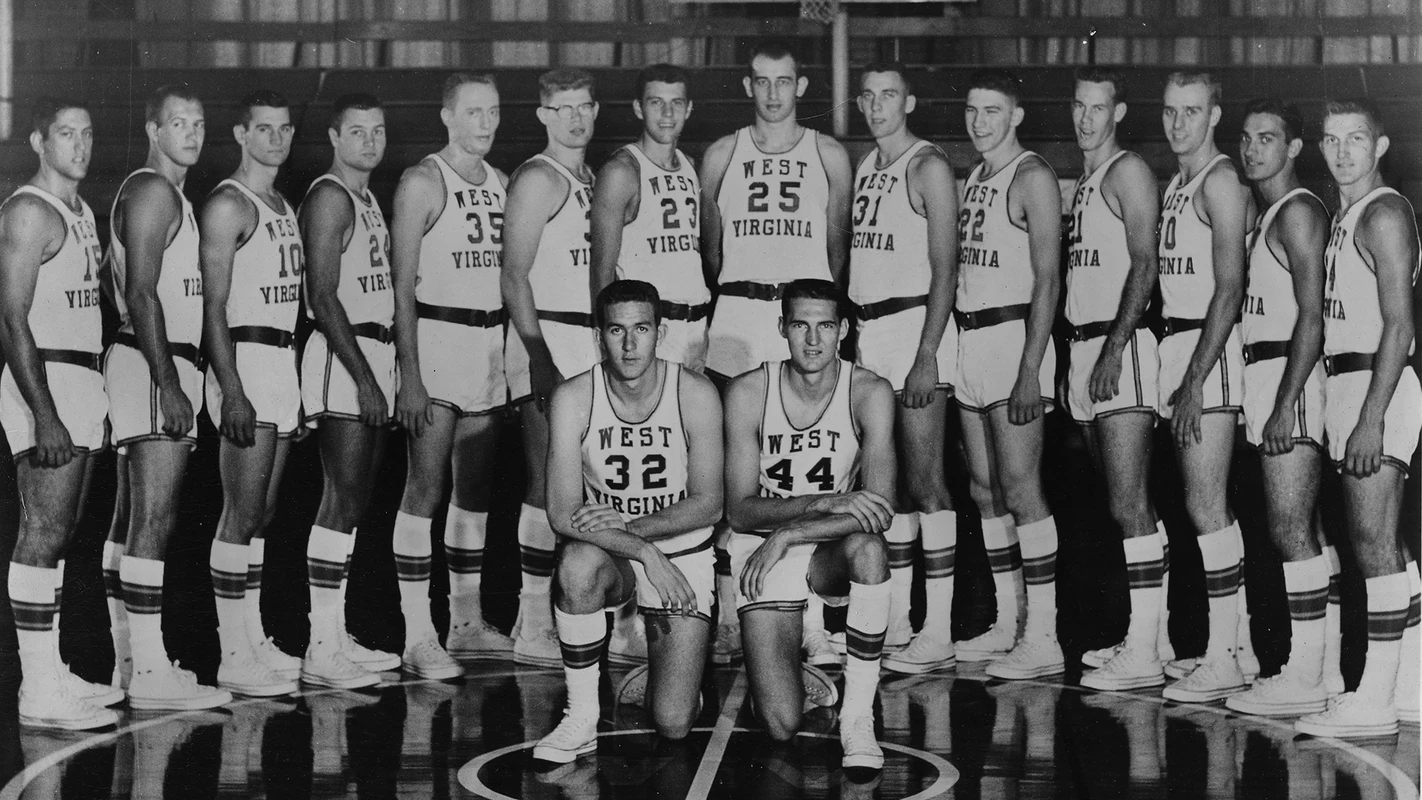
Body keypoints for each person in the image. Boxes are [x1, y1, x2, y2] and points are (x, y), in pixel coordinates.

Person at [699, 39, 853, 665]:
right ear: (747, 86)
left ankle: (812, 619)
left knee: (812, 467)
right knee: (733, 475)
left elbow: (837, 249)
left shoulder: (829, 153)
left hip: (801, 318)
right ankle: (730, 617)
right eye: (761, 81)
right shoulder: (721, 153)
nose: (772, 93)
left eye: (783, 81)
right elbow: (710, 249)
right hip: (738, 318)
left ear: (801, 86)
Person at [532, 280, 722, 763]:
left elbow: (709, 504)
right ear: (600, 336)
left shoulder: (695, 391)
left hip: (681, 550)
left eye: (642, 329)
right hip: (615, 551)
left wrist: (632, 530)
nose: (630, 344)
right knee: (576, 564)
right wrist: (640, 549)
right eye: (617, 330)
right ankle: (580, 717)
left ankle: (668, 674)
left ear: (661, 333)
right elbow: (560, 513)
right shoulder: (573, 396)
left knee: (673, 723)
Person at [723, 279, 894, 769]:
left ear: (844, 329)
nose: (813, 340)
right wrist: (819, 504)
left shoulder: (869, 391)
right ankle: (790, 675)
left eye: (825, 326)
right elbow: (739, 510)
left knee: (870, 548)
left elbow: (879, 509)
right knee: (780, 724)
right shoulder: (749, 390)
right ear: (782, 328)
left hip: (821, 546)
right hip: (762, 548)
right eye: (801, 325)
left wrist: (792, 532)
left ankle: (858, 718)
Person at [103, 84, 233, 711]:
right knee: (154, 519)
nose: (192, 133)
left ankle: (130, 664)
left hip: (149, 361)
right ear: (153, 130)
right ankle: (151, 672)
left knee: (132, 519)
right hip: (154, 364)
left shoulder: (168, 193)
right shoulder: (154, 190)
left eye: (199, 122)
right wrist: (169, 381)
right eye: (178, 122)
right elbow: (140, 291)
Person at [1295, 99, 1420, 737]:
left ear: (1380, 146)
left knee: (1372, 545)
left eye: (1356, 139)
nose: (1343, 152)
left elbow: (1399, 325)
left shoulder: (1384, 213)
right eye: (1332, 139)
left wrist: (1371, 417)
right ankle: (1411, 687)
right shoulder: (1346, 215)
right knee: (1384, 544)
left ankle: (1373, 700)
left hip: (1379, 385)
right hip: (1351, 384)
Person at [1, 98, 123, 729]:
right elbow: (10, 318)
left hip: (80, 378)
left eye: (87, 133)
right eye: (66, 134)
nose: (80, 145)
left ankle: (52, 673)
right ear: (38, 142)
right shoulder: (29, 211)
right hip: (44, 380)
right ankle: (37, 689)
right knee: (42, 532)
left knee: (64, 532)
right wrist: (44, 413)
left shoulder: (80, 212)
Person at [389, 73, 513, 672]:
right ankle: (419, 635)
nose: (485, 124)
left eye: (493, 112)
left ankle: (465, 623)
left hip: (488, 346)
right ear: (447, 116)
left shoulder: (503, 183)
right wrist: (410, 375)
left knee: (475, 494)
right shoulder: (422, 181)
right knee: (425, 489)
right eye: (472, 113)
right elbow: (399, 288)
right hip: (437, 340)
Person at [503, 68, 625, 666]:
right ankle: (532, 622)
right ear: (543, 115)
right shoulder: (537, 177)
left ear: (596, 110)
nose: (575, 119)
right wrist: (538, 355)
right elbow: (513, 275)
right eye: (562, 108)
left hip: (589, 340)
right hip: (548, 337)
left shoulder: (594, 178)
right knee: (544, 482)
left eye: (584, 107)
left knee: (598, 480)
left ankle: (609, 617)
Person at [846, 63, 962, 674]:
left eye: (888, 95)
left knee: (927, 481)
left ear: (909, 102)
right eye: (867, 96)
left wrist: (926, 352)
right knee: (885, 486)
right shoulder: (867, 165)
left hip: (915, 327)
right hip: (870, 332)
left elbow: (947, 267)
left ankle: (937, 630)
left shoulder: (928, 165)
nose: (876, 106)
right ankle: (897, 620)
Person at [1224, 99, 1338, 717]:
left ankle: (1304, 674)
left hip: (1288, 376)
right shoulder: (1270, 212)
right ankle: (1321, 671)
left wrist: (1285, 403)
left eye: (1267, 138)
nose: (1252, 149)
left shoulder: (1297, 212)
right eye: (1246, 138)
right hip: (1266, 372)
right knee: (1304, 530)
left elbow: (1312, 318)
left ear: (1294, 148)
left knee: (1290, 530)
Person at [1060, 69, 1170, 691]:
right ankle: (1152, 638)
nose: (1086, 118)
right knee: (1122, 504)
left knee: (1130, 504)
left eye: (1097, 107)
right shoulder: (1085, 181)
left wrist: (1113, 347)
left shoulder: (1127, 170)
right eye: (1079, 106)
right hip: (1085, 347)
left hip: (1117, 346)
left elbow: (1145, 264)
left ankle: (1145, 651)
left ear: (1118, 112)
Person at [952, 69, 1064, 680]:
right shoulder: (975, 176)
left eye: (992, 111)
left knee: (1021, 489)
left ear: (1016, 115)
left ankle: (1044, 635)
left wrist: (1030, 369)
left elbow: (1049, 279)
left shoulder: (1032, 175)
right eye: (972, 110)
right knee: (984, 489)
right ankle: (1008, 618)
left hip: (1013, 338)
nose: (979, 122)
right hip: (971, 339)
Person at [1154, 72, 1259, 703]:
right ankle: (1235, 647)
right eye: (1170, 111)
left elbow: (1230, 287)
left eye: (1191, 111)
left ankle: (1223, 656)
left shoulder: (1220, 180)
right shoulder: (1177, 182)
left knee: (1207, 506)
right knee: (1203, 505)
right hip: (1179, 345)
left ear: (1215, 115)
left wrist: (1194, 380)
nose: (1178, 123)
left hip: (1208, 348)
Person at [199, 90, 305, 697]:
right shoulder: (228, 204)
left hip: (281, 359)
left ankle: (254, 636)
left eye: (284, 128)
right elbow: (213, 306)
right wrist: (232, 388)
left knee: (262, 512)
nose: (276, 139)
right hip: (245, 358)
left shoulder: (282, 204)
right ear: (241, 134)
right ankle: (232, 653)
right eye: (264, 129)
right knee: (239, 513)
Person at [298, 93, 401, 688]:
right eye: (357, 131)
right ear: (335, 137)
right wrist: (364, 378)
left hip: (372, 352)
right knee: (339, 500)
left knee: (355, 501)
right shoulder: (331, 196)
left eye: (377, 130)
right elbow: (322, 294)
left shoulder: (366, 197)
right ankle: (320, 646)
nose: (369, 141)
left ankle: (336, 636)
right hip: (345, 357)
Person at [590, 63, 710, 372]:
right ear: (638, 108)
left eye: (676, 103)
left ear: (689, 109)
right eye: (656, 102)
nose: (667, 113)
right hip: (648, 329)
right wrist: (607, 344)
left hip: (696, 326)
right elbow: (601, 270)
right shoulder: (622, 171)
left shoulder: (691, 166)